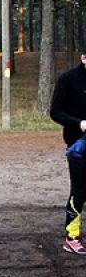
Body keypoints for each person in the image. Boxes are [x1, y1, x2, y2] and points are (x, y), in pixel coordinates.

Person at [50, 49, 86, 254]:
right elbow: (55, 112)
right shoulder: (68, 80)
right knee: (79, 190)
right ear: (83, 57)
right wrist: (78, 123)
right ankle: (71, 237)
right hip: (77, 146)